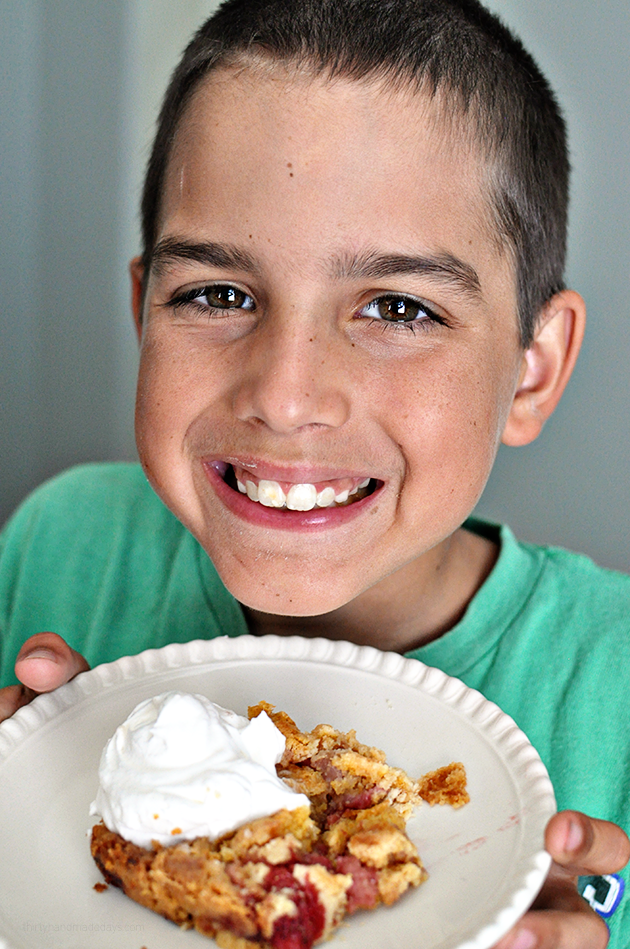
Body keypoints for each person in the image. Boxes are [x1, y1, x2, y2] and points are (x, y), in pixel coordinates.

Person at [1, 0, 629, 945]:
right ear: (143, 313)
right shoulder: (58, 542)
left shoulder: (612, 683)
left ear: (531, 369)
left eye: (399, 308)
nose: (287, 396)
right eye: (218, 294)